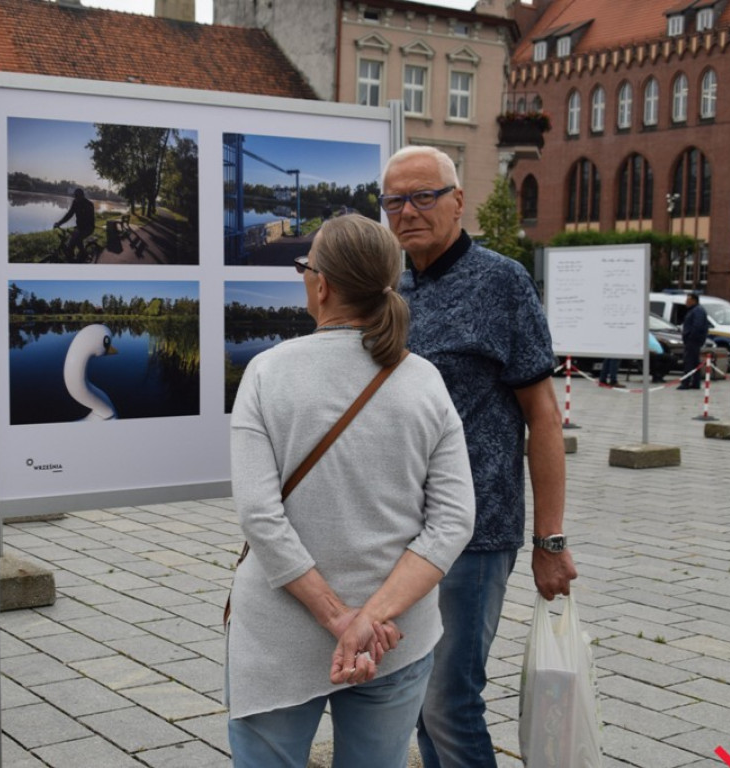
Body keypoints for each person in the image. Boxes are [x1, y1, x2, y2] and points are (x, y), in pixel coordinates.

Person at [227, 214, 475, 768]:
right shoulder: (424, 380)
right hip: (396, 634)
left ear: (322, 283)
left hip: (278, 633)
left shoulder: (267, 373)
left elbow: (260, 516)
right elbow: (454, 521)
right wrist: (369, 620)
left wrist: (342, 620)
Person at [381, 145, 577, 768]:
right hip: (396, 532)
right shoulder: (389, 286)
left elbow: (543, 418)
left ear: (458, 200)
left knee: (448, 702)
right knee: (415, 699)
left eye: (423, 196)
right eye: (394, 201)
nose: (407, 212)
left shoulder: (502, 281)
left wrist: (550, 541)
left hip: (475, 528)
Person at [53, 187, 95, 262]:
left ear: (82, 196)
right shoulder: (75, 202)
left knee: (77, 238)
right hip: (79, 227)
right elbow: (69, 214)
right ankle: (71, 258)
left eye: (77, 196)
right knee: (70, 246)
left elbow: (89, 220)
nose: (76, 198)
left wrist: (78, 230)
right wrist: (59, 223)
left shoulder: (89, 205)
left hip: (89, 228)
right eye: (75, 196)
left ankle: (84, 254)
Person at [678, 293, 709, 390]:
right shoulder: (694, 310)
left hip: (693, 341)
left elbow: (697, 326)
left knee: (689, 361)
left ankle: (686, 382)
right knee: (695, 362)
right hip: (693, 340)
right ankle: (695, 382)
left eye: (688, 300)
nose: (686, 303)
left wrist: (690, 337)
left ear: (694, 301)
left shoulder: (697, 311)